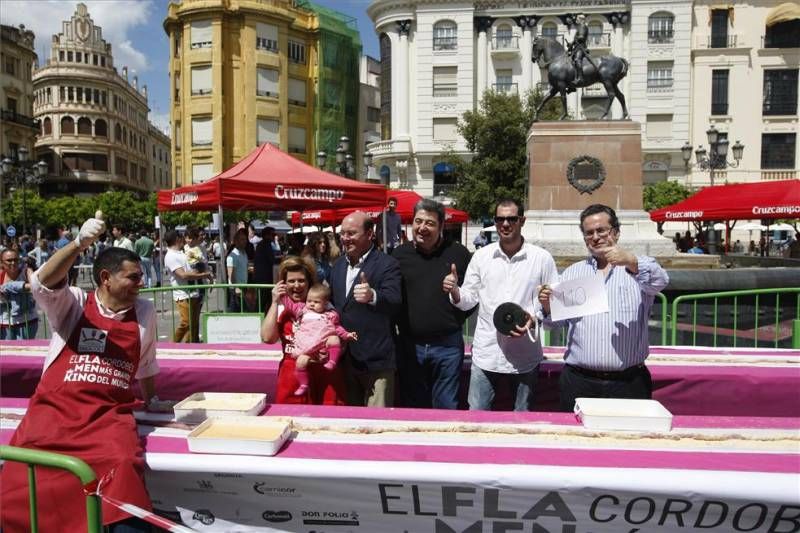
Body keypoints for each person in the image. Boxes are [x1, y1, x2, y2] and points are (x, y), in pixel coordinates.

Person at [1, 213, 161, 532]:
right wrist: (79, 243)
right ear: (106, 277)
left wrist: (153, 399)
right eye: (133, 277)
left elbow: (146, 363)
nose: (141, 284)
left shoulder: (144, 311)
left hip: (107, 418)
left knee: (124, 465)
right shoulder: (74, 302)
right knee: (22, 474)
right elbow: (42, 282)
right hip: (54, 413)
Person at [538, 204, 669, 412]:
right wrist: (547, 307)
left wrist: (631, 261)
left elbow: (661, 281)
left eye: (601, 230)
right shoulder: (573, 273)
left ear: (616, 233)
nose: (596, 237)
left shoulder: (639, 269)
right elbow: (554, 323)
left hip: (628, 382)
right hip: (579, 380)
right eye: (589, 233)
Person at [447, 198, 558, 411]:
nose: (505, 224)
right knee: (477, 417)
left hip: (525, 354)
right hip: (487, 353)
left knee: (523, 419)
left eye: (511, 219)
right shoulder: (481, 257)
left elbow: (551, 302)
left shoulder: (542, 258)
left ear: (522, 220)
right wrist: (455, 292)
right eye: (500, 219)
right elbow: (468, 299)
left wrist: (535, 318)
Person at [394, 199, 472, 409]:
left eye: (429, 223)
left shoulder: (459, 254)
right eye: (418, 221)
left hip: (447, 345)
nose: (422, 227)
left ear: (441, 226)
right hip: (410, 345)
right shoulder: (399, 255)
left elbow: (473, 297)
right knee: (413, 407)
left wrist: (455, 298)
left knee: (447, 407)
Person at [331, 211, 402, 407]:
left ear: (370, 234)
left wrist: (373, 296)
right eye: (342, 233)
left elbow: (395, 301)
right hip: (346, 360)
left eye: (351, 233)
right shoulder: (337, 267)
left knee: (377, 425)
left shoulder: (388, 264)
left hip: (376, 361)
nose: (345, 239)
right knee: (350, 423)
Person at [261, 256, 347, 404]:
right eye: (291, 281)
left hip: (324, 374)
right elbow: (268, 338)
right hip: (293, 374)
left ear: (309, 283)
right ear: (283, 283)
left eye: (301, 280)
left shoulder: (324, 306)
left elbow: (342, 342)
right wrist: (275, 301)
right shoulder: (280, 307)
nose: (297, 285)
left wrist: (328, 353)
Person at [280, 283, 357, 396]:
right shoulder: (303, 310)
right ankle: (303, 384)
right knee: (301, 362)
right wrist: (283, 295)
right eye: (309, 300)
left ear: (325, 304)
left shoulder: (330, 315)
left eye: (316, 302)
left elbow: (337, 328)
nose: (311, 304)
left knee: (334, 339)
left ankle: (332, 361)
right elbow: (289, 305)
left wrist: (347, 335)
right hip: (307, 346)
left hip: (322, 345)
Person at [164, 230, 213, 342]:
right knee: (187, 322)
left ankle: (191, 345)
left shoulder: (181, 252)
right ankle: (173, 344)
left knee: (194, 323)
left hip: (194, 291)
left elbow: (192, 268)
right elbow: (183, 275)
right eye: (182, 237)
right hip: (183, 294)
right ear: (177, 239)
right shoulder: (171, 256)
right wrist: (204, 274)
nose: (185, 240)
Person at [0, 248, 38, 339]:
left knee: (26, 350)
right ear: (1, 263)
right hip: (5, 323)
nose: (13, 263)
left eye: (16, 260)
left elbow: (36, 286)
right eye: (9, 260)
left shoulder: (26, 271)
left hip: (27, 321)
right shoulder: (1, 275)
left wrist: (11, 287)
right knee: (7, 351)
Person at [568, 13, 598, 85]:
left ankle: (581, 78)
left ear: (581, 19)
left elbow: (581, 37)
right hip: (576, 48)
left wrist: (575, 40)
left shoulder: (583, 26)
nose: (576, 20)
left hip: (581, 48)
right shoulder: (579, 27)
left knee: (577, 60)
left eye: (577, 19)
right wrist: (571, 44)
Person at [227, 228, 251, 312]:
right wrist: (236, 288)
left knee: (242, 312)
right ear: (236, 241)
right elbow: (231, 275)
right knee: (235, 313)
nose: (245, 241)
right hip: (235, 290)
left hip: (243, 287)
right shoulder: (233, 256)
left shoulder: (244, 253)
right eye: (242, 239)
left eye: (245, 239)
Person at [253, 226, 277, 310]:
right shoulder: (266, 244)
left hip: (261, 277)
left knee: (263, 301)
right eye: (273, 234)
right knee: (262, 301)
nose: (274, 236)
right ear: (267, 235)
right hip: (264, 278)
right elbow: (272, 260)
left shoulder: (262, 244)